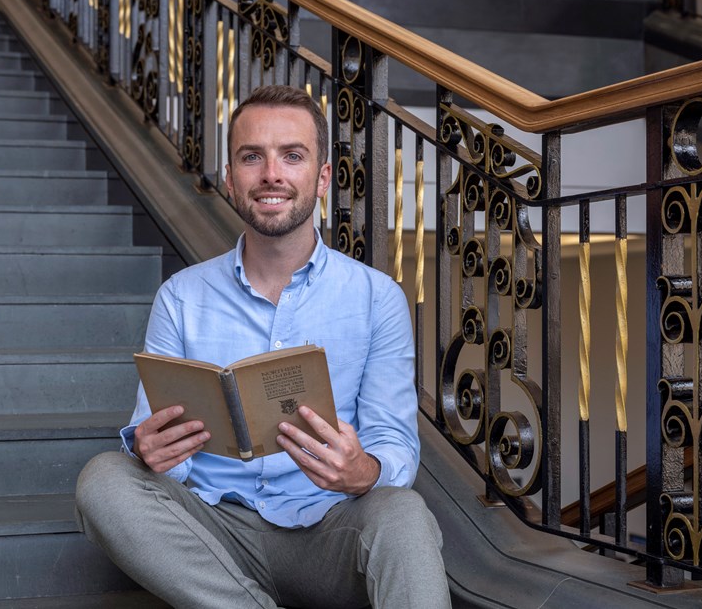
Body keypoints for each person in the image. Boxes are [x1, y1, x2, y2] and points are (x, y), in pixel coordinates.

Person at [75, 84, 449, 608]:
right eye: (252, 157)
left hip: (330, 531)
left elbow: (394, 445)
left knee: (406, 515)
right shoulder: (181, 297)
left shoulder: (377, 299)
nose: (271, 174)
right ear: (231, 180)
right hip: (212, 536)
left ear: (321, 180)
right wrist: (152, 450)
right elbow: (154, 438)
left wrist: (362, 470)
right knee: (104, 480)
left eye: (291, 156)